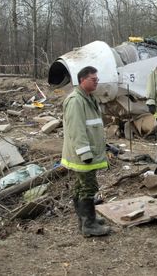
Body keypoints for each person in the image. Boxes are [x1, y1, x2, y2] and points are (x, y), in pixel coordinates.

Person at [61, 66, 110, 237]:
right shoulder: (76, 101)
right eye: (93, 79)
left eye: (97, 79)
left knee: (80, 186)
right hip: (83, 156)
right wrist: (85, 154)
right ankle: (89, 225)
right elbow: (77, 130)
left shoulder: (89, 98)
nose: (96, 82)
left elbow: (93, 126)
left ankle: (85, 220)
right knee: (88, 186)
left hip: (89, 152)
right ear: (82, 80)